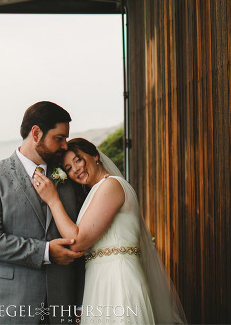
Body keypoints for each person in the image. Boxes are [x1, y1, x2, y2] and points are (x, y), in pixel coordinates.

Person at [32, 138, 186, 325]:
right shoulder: (97, 191)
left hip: (118, 279)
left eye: (78, 160)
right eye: (68, 168)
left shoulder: (111, 185)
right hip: (100, 279)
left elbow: (78, 240)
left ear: (95, 156)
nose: (76, 169)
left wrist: (53, 200)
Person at [0, 101, 85, 324]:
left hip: (60, 307)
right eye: (59, 138)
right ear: (36, 133)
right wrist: (45, 252)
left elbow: (80, 238)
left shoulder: (68, 178)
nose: (64, 146)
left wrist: (81, 302)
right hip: (7, 305)